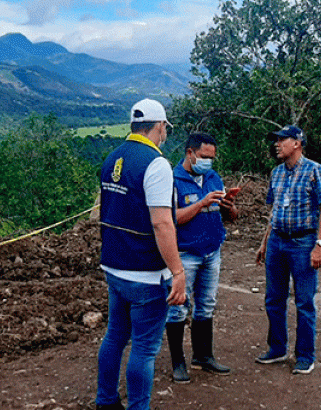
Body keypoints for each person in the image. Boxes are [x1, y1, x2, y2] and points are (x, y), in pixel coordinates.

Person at [96, 98, 187, 410]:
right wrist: (177, 271)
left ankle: (106, 400)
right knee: (145, 348)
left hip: (114, 264)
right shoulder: (156, 164)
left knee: (115, 337)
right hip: (145, 273)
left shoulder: (112, 158)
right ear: (159, 126)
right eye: (165, 128)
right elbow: (162, 223)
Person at [255, 124, 321, 375]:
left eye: (282, 140)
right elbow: (274, 210)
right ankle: (277, 349)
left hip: (303, 243)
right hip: (277, 240)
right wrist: (265, 242)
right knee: (274, 299)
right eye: (276, 140)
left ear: (297, 143)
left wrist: (319, 245)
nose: (277, 144)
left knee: (304, 302)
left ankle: (305, 356)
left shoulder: (313, 170)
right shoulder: (276, 173)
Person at [165, 132, 238, 384]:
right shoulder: (173, 180)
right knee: (177, 309)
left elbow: (229, 216)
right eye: (205, 157)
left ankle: (203, 356)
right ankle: (178, 363)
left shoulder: (213, 177)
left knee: (206, 304)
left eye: (212, 158)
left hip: (212, 250)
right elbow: (172, 219)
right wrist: (201, 203)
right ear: (190, 153)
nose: (208, 162)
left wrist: (230, 207)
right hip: (185, 253)